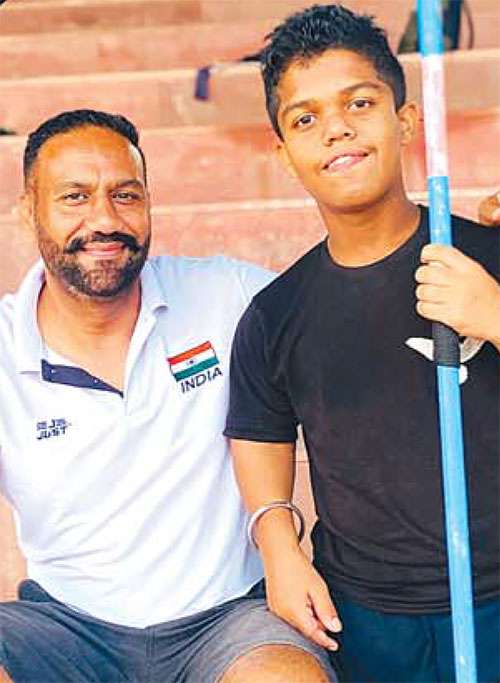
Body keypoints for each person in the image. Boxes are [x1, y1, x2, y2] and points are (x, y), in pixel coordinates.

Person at [0, 109, 338, 683]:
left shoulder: (227, 295)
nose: (104, 219)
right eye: (75, 197)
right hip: (65, 628)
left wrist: (482, 246)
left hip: (229, 622)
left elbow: (354, 313)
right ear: (29, 209)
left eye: (125, 195)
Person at [224, 5, 499, 682]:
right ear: (284, 154)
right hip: (368, 616)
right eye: (305, 119)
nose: (336, 128)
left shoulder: (484, 257)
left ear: (406, 121)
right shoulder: (275, 314)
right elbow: (260, 438)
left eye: (360, 102)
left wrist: (494, 313)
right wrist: (280, 551)